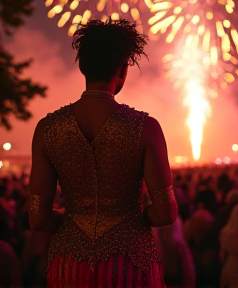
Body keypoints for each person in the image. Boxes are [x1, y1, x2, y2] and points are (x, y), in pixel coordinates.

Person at [29, 18, 178, 288]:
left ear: (83, 66)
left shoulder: (47, 129)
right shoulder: (146, 128)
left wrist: (76, 219)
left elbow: (38, 218)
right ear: (123, 70)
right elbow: (166, 213)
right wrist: (131, 221)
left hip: (69, 264)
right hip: (130, 261)